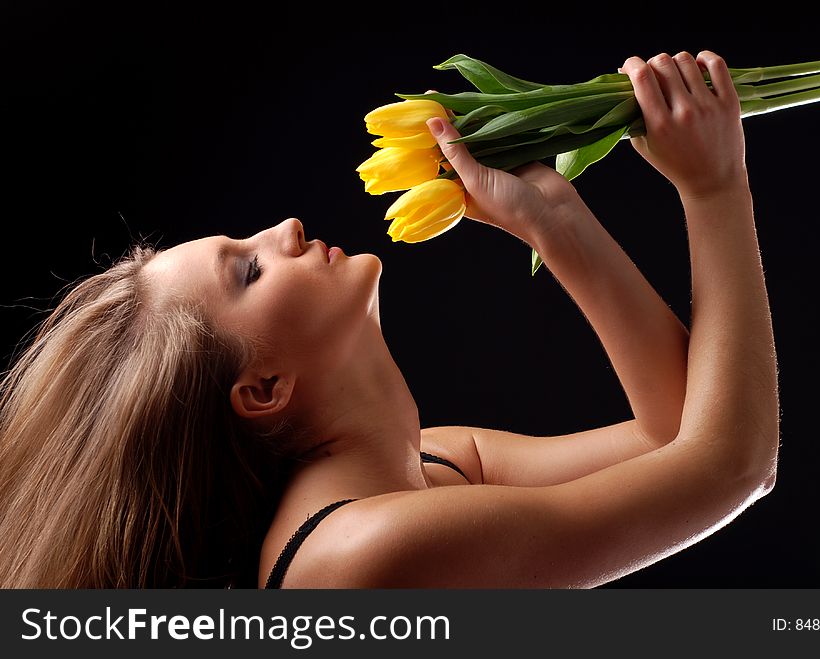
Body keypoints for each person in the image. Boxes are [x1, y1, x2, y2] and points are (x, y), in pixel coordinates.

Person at [0, 50, 778, 589]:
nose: (288, 229)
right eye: (249, 268)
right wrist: (715, 190)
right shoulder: (362, 552)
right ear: (265, 385)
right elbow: (729, 466)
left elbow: (678, 432)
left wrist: (557, 224)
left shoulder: (427, 468)